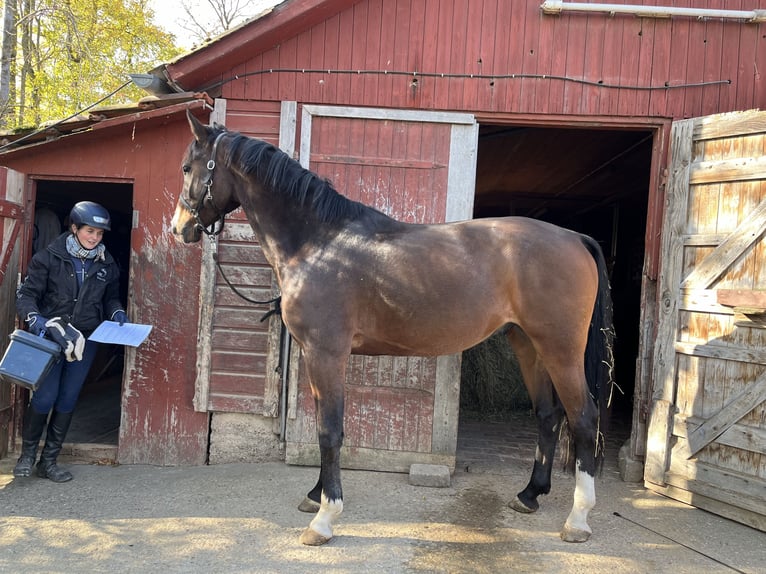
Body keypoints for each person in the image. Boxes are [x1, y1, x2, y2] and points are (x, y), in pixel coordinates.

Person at [13, 201, 128, 482]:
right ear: (74, 228)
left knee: (67, 399)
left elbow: (110, 295)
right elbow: (26, 296)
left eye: (100, 234)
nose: (95, 238)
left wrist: (116, 310)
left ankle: (49, 461)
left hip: (85, 341)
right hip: (52, 338)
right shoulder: (48, 257)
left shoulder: (106, 262)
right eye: (90, 231)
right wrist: (36, 320)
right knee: (45, 397)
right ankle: (27, 456)